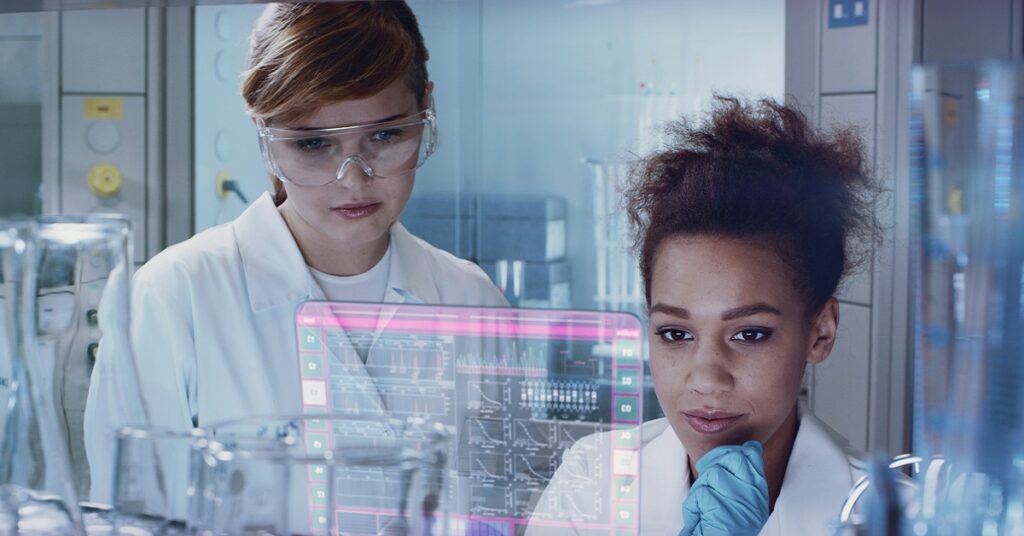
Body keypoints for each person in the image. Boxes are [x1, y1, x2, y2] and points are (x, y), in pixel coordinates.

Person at [84, 1, 506, 507]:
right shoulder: (175, 296)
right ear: (265, 135)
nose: (354, 178)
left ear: (426, 109)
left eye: (386, 135)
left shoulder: (470, 299)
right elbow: (132, 513)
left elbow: (500, 501)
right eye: (312, 145)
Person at [527, 96, 882, 535]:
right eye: (676, 333)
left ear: (820, 332)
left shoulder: (897, 516)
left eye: (749, 335)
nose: (707, 380)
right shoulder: (591, 482)